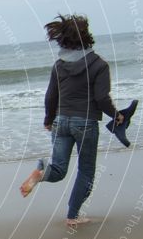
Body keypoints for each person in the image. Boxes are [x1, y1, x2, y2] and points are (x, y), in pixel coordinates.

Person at [20, 14, 123, 225]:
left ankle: (41, 171)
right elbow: (102, 98)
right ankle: (72, 217)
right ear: (87, 37)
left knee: (57, 170)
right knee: (85, 171)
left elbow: (51, 95)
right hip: (85, 124)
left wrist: (49, 120)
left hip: (61, 121)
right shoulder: (99, 65)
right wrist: (117, 115)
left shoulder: (59, 65)